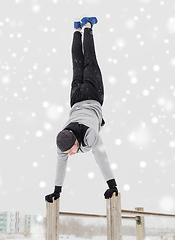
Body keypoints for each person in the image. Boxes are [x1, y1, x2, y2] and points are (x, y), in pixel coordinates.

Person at [45, 17, 119, 203]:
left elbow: (101, 156)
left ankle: (88, 26)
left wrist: (112, 185)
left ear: (76, 140)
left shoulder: (89, 135)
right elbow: (60, 165)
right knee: (77, 65)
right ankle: (76, 30)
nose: (71, 154)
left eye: (71, 150)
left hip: (92, 95)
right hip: (75, 98)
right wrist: (57, 191)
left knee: (89, 60)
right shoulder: (63, 139)